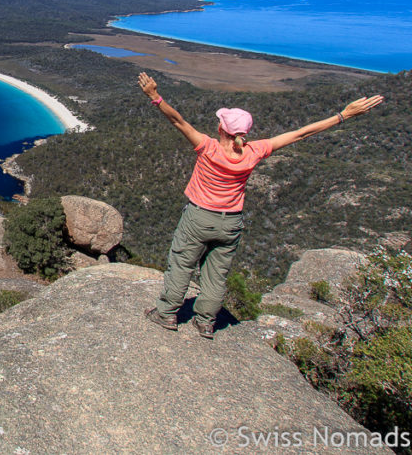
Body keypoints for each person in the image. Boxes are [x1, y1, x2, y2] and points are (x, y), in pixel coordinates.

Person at [137, 71, 384, 339]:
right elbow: (301, 134)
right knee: (217, 273)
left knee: (182, 263)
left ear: (221, 128)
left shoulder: (208, 147)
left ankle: (166, 314)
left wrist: (154, 96)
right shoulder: (255, 151)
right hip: (230, 223)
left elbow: (177, 120)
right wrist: (343, 116)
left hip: (198, 218)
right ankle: (206, 322)